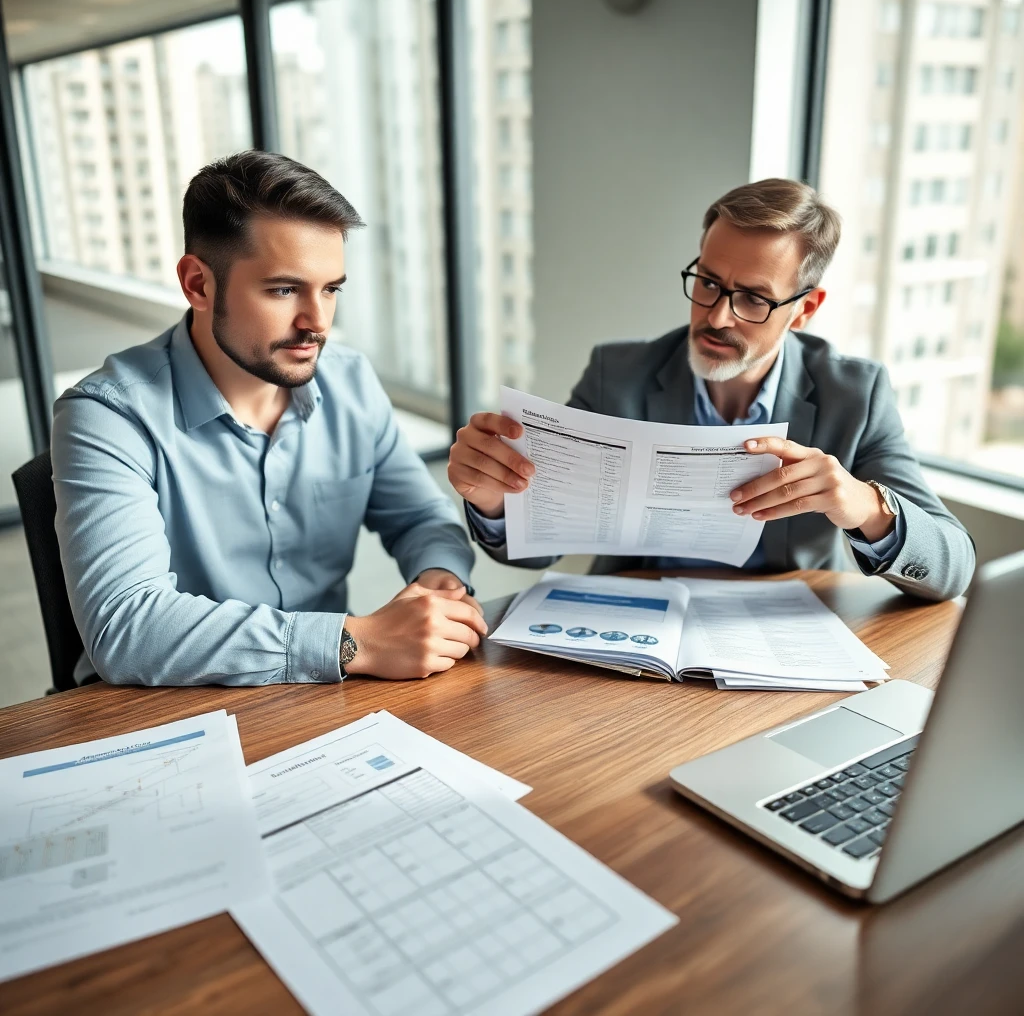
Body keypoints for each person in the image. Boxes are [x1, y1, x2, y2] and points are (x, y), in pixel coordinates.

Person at [52, 150, 486, 686]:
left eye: (331, 289)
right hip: (159, 712)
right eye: (284, 289)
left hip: (315, 700)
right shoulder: (106, 416)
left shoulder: (349, 380)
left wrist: (437, 581)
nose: (317, 322)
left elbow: (419, 519)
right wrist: (353, 642)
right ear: (198, 285)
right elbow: (127, 628)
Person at [448, 178, 974, 602]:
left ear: (804, 310)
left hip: (776, 639)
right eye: (708, 283)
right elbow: (535, 549)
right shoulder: (619, 373)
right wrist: (496, 502)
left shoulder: (854, 395)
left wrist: (863, 504)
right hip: (631, 625)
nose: (717, 316)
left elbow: (952, 568)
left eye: (753, 299)